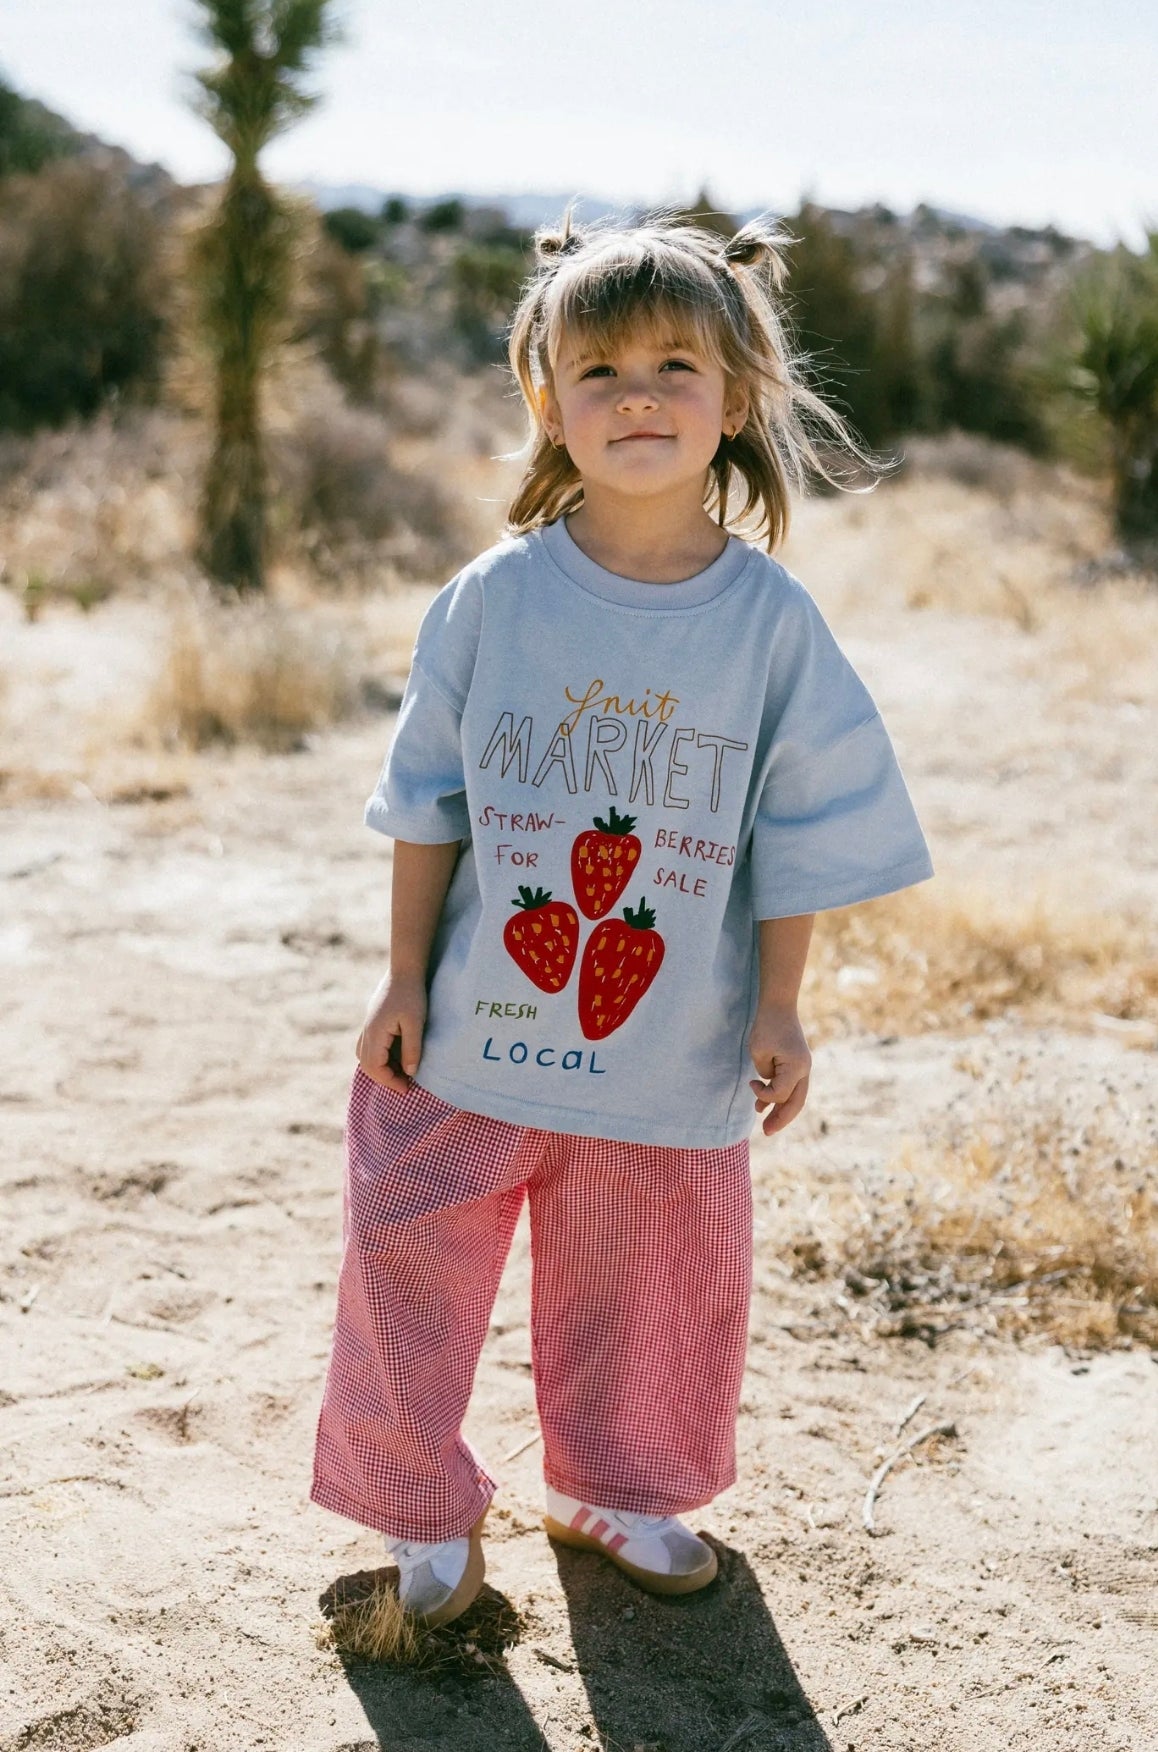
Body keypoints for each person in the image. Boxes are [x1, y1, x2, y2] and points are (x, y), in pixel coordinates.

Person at [310, 208, 933, 1628]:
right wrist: (399, 977)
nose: (636, 396)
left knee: (653, 1281)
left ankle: (610, 1486)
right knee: (406, 1264)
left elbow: (800, 832)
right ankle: (420, 1511)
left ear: (736, 398)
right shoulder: (491, 599)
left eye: (674, 366)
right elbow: (428, 804)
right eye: (597, 372)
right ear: (543, 397)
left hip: (671, 1046)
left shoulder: (769, 622)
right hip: (469, 1031)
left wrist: (781, 1009)